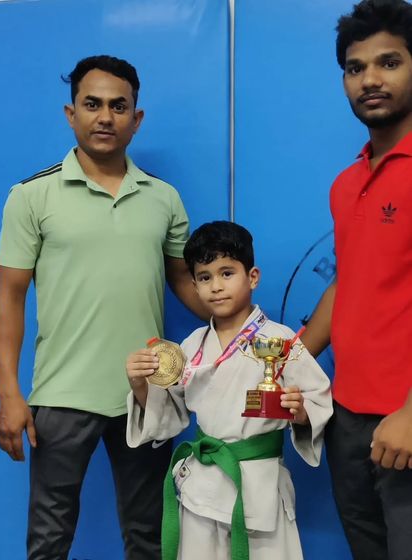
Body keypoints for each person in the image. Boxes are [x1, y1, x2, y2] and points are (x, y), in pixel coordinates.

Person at [0, 55, 204, 560]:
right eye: (92, 104)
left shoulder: (164, 198)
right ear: (71, 114)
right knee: (49, 540)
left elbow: (184, 281)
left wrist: (243, 324)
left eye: (118, 106)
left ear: (137, 117)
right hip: (62, 394)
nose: (105, 116)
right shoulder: (30, 196)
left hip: (146, 392)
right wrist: (9, 394)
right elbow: (8, 299)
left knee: (149, 537)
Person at [125, 221, 332, 560]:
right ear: (194, 286)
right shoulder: (192, 345)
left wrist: (301, 411)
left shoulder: (281, 340)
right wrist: (139, 384)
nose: (216, 286)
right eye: (205, 277)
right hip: (201, 486)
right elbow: (169, 413)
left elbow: (318, 399)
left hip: (259, 485)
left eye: (226, 273)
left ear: (252, 277)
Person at [301, 2, 412, 559]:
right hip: (347, 419)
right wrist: (285, 364)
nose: (370, 79)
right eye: (355, 67)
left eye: (389, 62)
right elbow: (347, 284)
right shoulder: (347, 184)